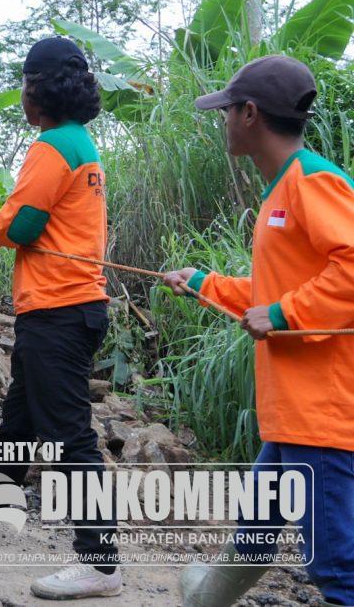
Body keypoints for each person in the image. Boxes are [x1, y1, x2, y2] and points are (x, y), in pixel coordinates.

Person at [167, 56, 354, 607]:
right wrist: (206, 284)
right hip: (294, 409)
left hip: (321, 410)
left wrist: (283, 316)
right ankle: (206, 596)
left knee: (337, 565)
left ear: (250, 114)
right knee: (257, 528)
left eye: (226, 110)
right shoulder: (283, 189)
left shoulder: (313, 181)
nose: (222, 120)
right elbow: (277, 288)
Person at [0, 37, 120, 599]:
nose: (22, 94)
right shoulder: (82, 144)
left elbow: (21, 227)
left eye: (24, 83)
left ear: (37, 89)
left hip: (59, 309)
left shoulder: (51, 147)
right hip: (69, 307)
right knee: (21, 416)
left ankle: (100, 563)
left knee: (71, 438)